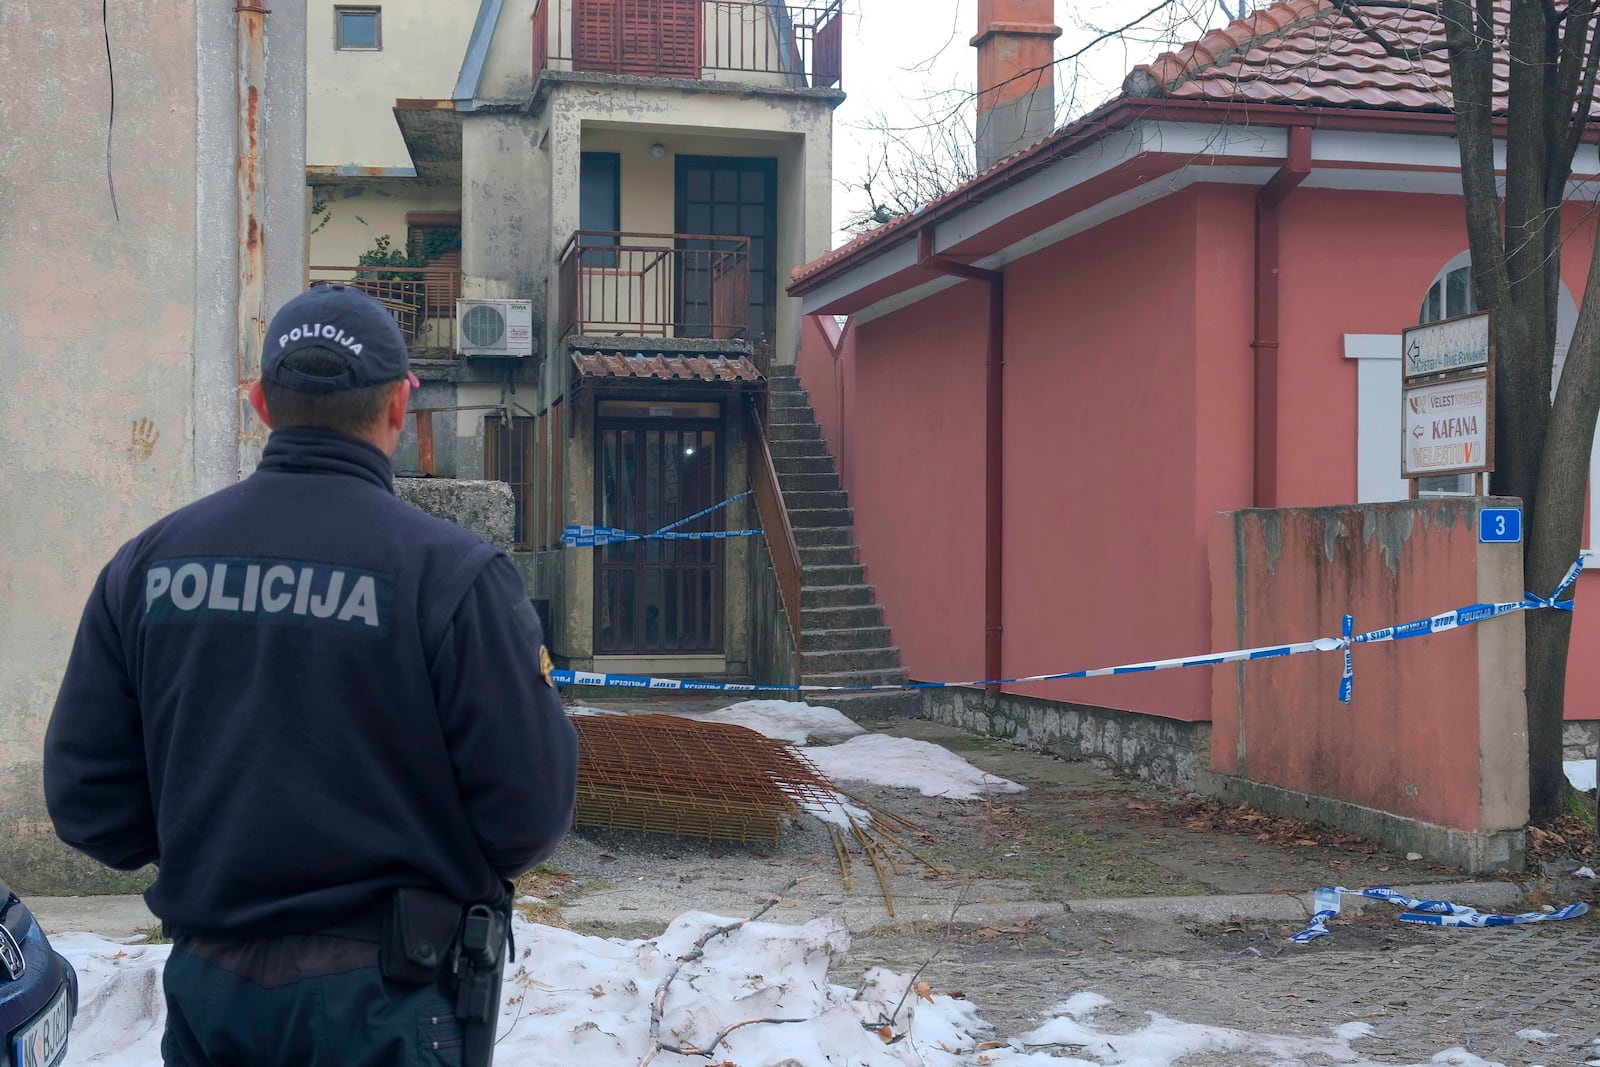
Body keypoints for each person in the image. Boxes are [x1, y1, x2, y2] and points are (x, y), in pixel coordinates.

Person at [43, 282, 578, 1066]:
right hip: (393, 1002)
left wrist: (218, 838)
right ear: (400, 405)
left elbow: (87, 800)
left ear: (260, 402)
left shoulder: (149, 565)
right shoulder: (454, 576)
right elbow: (528, 814)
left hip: (213, 992)